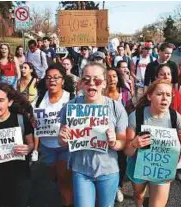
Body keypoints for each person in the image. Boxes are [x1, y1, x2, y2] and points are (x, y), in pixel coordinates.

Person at [58, 62, 128, 207]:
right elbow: (62, 142)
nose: (92, 84)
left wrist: (114, 142)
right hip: (81, 171)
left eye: (97, 80)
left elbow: (123, 143)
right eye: (86, 79)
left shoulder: (116, 108)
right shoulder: (70, 107)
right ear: (81, 83)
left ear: (104, 84)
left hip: (108, 171)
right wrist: (63, 137)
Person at [124, 79, 181, 207]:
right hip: (138, 165)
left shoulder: (175, 117)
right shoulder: (136, 116)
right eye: (160, 94)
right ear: (150, 96)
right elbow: (127, 151)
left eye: (168, 95)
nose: (164, 98)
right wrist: (134, 144)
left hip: (162, 168)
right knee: (139, 195)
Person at [32, 63, 74, 207]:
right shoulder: (39, 99)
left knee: (64, 179)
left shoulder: (71, 99)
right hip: (47, 147)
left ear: (63, 80)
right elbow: (33, 119)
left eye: (56, 77)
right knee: (53, 176)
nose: (52, 80)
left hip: (65, 146)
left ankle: (68, 202)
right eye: (49, 77)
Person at [105, 67, 133, 202]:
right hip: (103, 133)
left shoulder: (125, 93)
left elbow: (131, 112)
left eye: (114, 76)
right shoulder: (99, 94)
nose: (111, 79)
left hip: (122, 132)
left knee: (121, 160)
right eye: (108, 76)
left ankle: (118, 186)